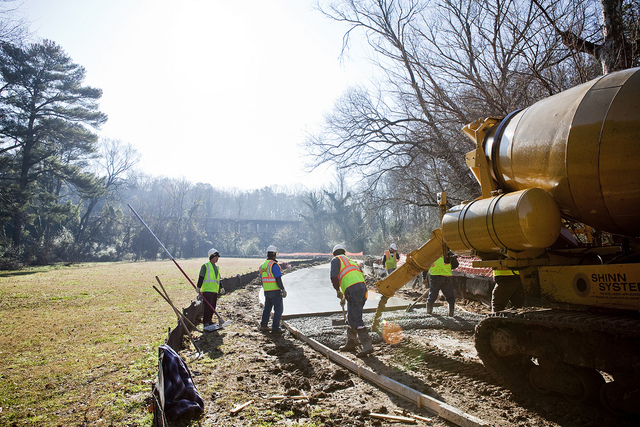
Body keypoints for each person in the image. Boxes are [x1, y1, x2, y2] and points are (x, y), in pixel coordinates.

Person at [331, 244, 373, 357]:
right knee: (351, 317)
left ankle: (367, 345)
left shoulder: (336, 260)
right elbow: (352, 278)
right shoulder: (350, 260)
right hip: (362, 290)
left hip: (353, 291)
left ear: (334, 253)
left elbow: (334, 278)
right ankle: (351, 342)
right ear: (344, 252)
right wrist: (345, 296)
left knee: (356, 318)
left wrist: (338, 291)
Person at [259, 245, 287, 334]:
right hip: (275, 291)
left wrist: (265, 288)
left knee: (267, 309)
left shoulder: (263, 265)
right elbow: (278, 278)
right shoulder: (274, 265)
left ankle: (263, 325)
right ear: (275, 254)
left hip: (267, 291)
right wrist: (283, 289)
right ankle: (275, 327)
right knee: (278, 309)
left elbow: (262, 279)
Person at [196, 248, 225, 328]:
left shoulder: (217, 267)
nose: (217, 259)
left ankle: (210, 320)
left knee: (213, 306)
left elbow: (218, 279)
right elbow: (201, 277)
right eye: (216, 257)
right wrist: (198, 287)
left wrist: (221, 287)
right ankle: (205, 322)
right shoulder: (205, 266)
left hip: (214, 290)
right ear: (212, 257)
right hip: (207, 290)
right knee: (208, 307)